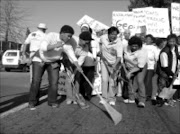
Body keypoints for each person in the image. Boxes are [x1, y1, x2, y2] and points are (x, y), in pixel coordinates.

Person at [28, 25, 82, 110]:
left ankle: (52, 101)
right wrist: (56, 45)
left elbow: (72, 57)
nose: (69, 38)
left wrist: (78, 66)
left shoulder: (67, 45)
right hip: (39, 59)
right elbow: (43, 47)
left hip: (53, 62)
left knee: (54, 82)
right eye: (68, 35)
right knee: (36, 81)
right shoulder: (51, 35)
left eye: (71, 36)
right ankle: (32, 102)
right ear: (62, 33)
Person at [99, 26, 123, 106]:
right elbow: (100, 43)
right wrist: (100, 51)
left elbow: (119, 57)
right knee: (104, 80)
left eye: (115, 34)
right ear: (108, 34)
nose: (114, 36)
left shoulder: (119, 42)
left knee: (112, 81)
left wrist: (114, 66)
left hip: (114, 63)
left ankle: (112, 98)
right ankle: (104, 98)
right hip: (104, 62)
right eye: (112, 34)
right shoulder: (103, 37)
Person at [123, 36, 147, 108]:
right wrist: (126, 71)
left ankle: (141, 100)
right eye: (132, 46)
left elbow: (140, 66)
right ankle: (131, 98)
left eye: (136, 46)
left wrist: (130, 73)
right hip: (129, 66)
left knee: (140, 81)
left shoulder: (142, 52)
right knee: (129, 81)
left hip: (140, 67)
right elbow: (123, 60)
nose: (134, 48)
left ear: (139, 46)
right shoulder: (126, 48)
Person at [156, 34, 180, 106]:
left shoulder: (175, 48)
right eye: (170, 41)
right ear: (167, 41)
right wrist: (172, 74)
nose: (172, 43)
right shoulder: (165, 51)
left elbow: (176, 56)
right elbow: (164, 66)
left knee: (171, 86)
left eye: (173, 41)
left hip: (173, 70)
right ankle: (160, 101)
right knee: (163, 85)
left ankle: (168, 99)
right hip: (165, 71)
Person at [76, 31, 96, 101]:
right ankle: (76, 95)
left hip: (81, 62)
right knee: (76, 79)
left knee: (81, 77)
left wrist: (78, 67)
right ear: (80, 39)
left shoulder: (86, 46)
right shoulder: (73, 43)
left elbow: (82, 58)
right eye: (86, 42)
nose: (87, 44)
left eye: (88, 42)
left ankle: (86, 94)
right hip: (71, 61)